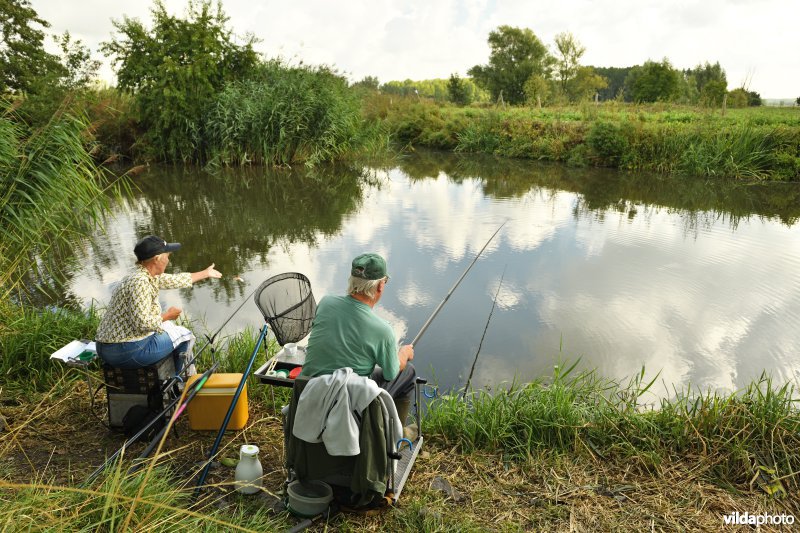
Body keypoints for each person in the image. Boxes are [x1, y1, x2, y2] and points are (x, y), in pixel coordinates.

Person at [301, 252, 416, 424]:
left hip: (310, 391)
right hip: (350, 403)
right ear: (380, 287)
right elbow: (391, 373)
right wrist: (404, 353)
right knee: (408, 371)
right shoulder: (383, 330)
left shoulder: (325, 303)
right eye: (385, 281)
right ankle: (393, 439)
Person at [95, 234, 221, 372]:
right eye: (167, 256)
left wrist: (206, 273)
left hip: (107, 347)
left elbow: (177, 279)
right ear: (157, 259)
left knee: (169, 328)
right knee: (185, 336)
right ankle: (182, 384)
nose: (168, 260)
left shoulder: (143, 275)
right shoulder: (141, 283)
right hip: (125, 351)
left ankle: (172, 379)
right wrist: (168, 315)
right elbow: (143, 324)